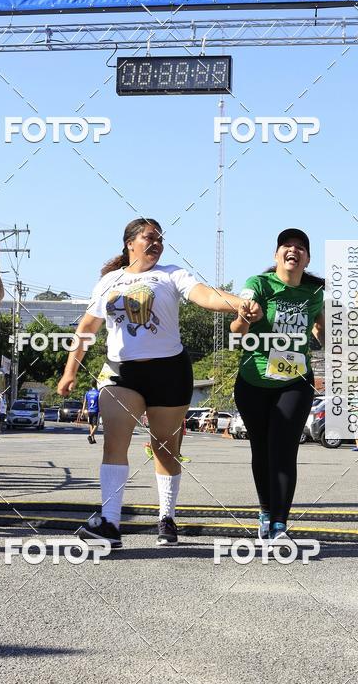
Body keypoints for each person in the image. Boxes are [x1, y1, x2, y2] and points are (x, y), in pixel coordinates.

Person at [57, 217, 260, 548]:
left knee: (164, 446)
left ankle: (166, 517)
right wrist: (70, 371)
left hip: (169, 372)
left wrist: (239, 303)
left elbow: (204, 295)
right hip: (121, 373)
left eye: (160, 239)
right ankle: (110, 523)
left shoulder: (171, 274)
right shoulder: (109, 281)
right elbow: (87, 327)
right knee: (114, 442)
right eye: (149, 237)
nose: (156, 243)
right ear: (130, 243)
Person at [230, 228, 324, 544]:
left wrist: (331, 336)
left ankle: (280, 526)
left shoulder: (315, 292)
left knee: (284, 450)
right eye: (287, 245)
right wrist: (245, 317)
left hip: (295, 381)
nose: (293, 250)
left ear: (307, 259)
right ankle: (266, 513)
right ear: (276, 255)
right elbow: (237, 330)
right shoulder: (259, 284)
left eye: (300, 247)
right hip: (253, 381)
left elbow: (323, 327)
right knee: (261, 449)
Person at [82, 380, 100, 444]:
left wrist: (82, 411)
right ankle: (90, 436)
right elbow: (100, 402)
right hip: (95, 410)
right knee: (96, 425)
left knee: (90, 424)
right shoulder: (98, 393)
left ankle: (93, 439)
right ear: (96, 385)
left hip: (89, 410)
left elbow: (84, 402)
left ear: (91, 384)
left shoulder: (88, 393)